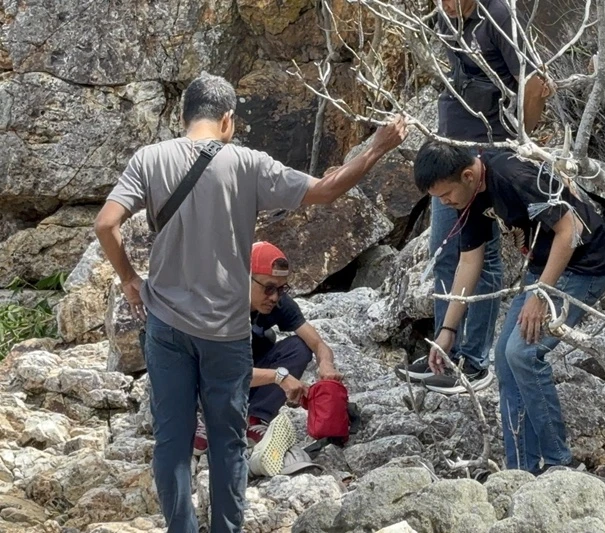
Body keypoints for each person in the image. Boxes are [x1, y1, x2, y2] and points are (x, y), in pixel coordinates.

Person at [94, 73, 407, 533]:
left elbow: (106, 224)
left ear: (184, 117)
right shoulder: (248, 164)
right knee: (228, 443)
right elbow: (327, 189)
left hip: (166, 326)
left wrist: (128, 279)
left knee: (172, 442)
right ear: (228, 120)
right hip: (225, 333)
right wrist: (377, 147)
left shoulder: (149, 159)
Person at [413, 139, 605, 474]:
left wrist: (540, 295)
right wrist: (447, 331)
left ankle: (561, 463)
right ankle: (521, 470)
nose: (445, 203)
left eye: (445, 195)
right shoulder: (469, 193)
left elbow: (571, 229)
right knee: (505, 360)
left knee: (522, 354)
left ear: (467, 175)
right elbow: (469, 261)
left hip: (584, 264)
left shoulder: (512, 175)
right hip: (542, 265)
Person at [395, 0, 554, 394]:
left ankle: (474, 361)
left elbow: (535, 81)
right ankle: (444, 352)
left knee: (480, 256)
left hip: (485, 151)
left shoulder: (497, 15)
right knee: (445, 250)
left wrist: (520, 139)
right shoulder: (447, 17)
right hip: (451, 148)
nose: (445, 4)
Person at [192, 241, 342, 460]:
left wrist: (326, 364)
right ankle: (202, 418)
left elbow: (317, 343)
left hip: (245, 373)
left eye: (281, 289)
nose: (274, 297)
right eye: (269, 288)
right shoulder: (219, 306)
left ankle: (256, 419)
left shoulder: (278, 302)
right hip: (209, 379)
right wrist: (280, 377)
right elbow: (224, 371)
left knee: (298, 347)